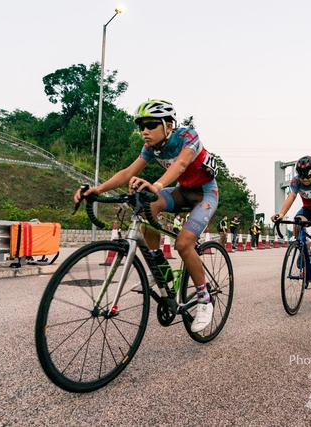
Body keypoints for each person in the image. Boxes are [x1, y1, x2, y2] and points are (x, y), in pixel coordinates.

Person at [74, 99, 219, 333]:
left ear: (169, 125)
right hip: (182, 191)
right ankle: (159, 267)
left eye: (151, 125)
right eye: (141, 125)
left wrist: (157, 184)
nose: (144, 131)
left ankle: (204, 299)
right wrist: (97, 189)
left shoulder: (187, 136)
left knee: (183, 244)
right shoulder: (151, 148)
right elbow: (129, 172)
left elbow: (181, 164)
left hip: (205, 194)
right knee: (147, 207)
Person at [270, 155, 311, 299]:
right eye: (302, 177)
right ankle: (301, 247)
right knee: (297, 221)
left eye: (308, 177)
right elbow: (291, 197)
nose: (304, 180)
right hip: (307, 209)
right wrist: (281, 214)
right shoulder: (296, 181)